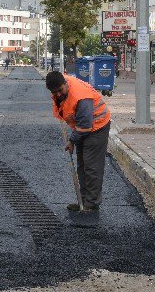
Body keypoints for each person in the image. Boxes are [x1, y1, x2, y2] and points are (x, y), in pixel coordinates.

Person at [45, 71, 111, 212]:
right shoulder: (60, 84)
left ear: (65, 83)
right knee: (82, 164)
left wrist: (72, 141)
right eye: (54, 92)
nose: (57, 95)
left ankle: (92, 204)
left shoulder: (81, 96)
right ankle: (83, 200)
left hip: (97, 125)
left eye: (60, 91)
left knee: (91, 166)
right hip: (82, 127)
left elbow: (85, 126)